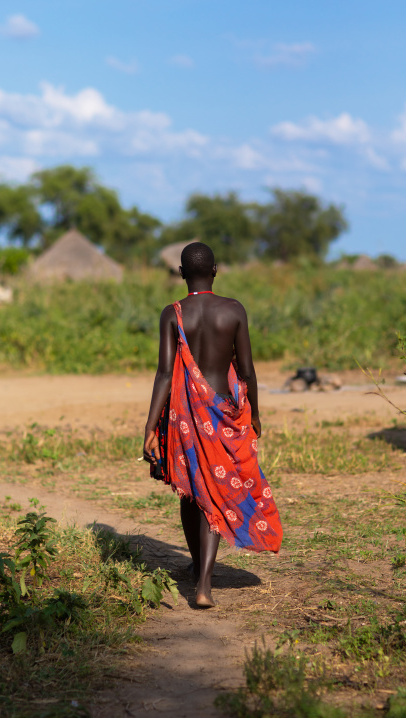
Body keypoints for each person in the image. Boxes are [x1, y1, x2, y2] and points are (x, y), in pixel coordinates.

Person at [143, 242, 282, 608]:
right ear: (216, 270)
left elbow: (163, 373)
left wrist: (149, 426)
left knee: (193, 490)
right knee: (211, 493)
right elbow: (248, 370)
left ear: (181, 273)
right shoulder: (233, 310)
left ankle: (200, 575)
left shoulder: (172, 314)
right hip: (225, 411)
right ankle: (202, 580)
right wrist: (254, 414)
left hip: (185, 416)